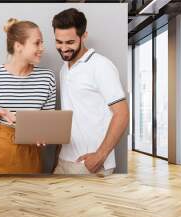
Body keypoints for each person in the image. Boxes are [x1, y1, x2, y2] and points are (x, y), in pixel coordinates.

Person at [0, 18, 56, 174]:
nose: (42, 48)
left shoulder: (47, 78)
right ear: (18, 46)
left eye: (42, 43)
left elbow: (47, 124)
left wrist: (43, 134)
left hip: (29, 155)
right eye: (37, 43)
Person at [51, 8, 129, 176]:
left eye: (70, 42)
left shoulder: (101, 66)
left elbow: (121, 114)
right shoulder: (64, 68)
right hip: (64, 161)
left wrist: (99, 157)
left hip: (90, 164)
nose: (63, 48)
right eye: (59, 42)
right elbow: (70, 115)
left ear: (84, 36)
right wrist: (57, 157)